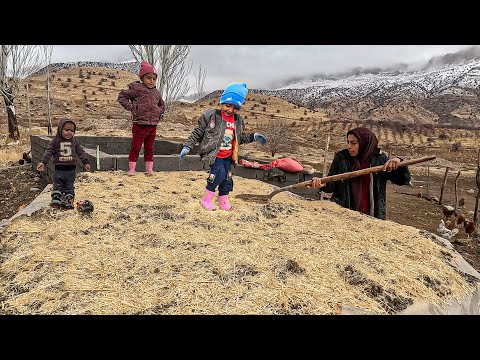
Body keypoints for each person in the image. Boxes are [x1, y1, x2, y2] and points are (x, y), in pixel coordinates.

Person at [179, 82, 267, 211]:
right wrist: (188, 146)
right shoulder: (211, 116)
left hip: (229, 156)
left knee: (227, 179)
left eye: (235, 108)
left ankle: (223, 201)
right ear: (222, 102)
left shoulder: (238, 120)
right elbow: (198, 132)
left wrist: (253, 136)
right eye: (228, 105)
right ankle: (206, 200)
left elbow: (239, 138)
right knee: (217, 176)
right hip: (215, 155)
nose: (231, 110)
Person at [311, 126, 410, 220]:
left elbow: (402, 180)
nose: (349, 146)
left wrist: (398, 162)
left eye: (353, 143)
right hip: (343, 213)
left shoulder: (380, 160)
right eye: (348, 142)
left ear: (365, 143)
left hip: (372, 214)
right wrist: (323, 183)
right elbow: (332, 184)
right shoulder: (342, 158)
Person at [118, 61, 165, 176]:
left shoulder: (156, 93)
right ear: (142, 77)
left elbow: (162, 105)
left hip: (153, 125)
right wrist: (132, 108)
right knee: (136, 147)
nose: (151, 81)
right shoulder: (136, 88)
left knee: (150, 148)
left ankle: (149, 170)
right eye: (149, 78)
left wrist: (159, 112)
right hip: (139, 124)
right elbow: (122, 96)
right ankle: (132, 170)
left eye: (154, 79)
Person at [36, 118, 91, 209]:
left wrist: (86, 162)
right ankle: (56, 200)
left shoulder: (74, 141)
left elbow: (81, 152)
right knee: (58, 185)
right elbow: (48, 152)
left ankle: (68, 201)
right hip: (59, 169)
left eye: (72, 131)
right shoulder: (55, 141)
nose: (69, 132)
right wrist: (43, 162)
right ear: (60, 129)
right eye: (66, 130)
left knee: (69, 186)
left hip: (71, 170)